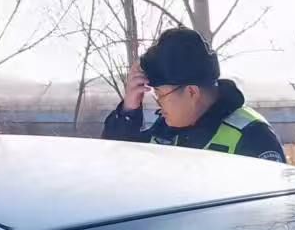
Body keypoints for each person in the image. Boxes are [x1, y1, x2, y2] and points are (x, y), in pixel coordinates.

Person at [102, 27, 285, 160]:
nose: (159, 105)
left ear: (191, 92)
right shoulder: (166, 131)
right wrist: (128, 112)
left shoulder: (253, 138)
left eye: (160, 94)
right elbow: (116, 165)